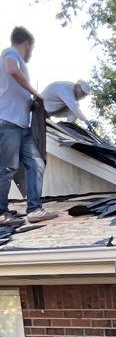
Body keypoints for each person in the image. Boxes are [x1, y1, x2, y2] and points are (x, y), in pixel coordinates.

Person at [0, 26, 55, 225]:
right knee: (7, 167)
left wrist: (31, 103)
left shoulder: (18, 59)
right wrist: (34, 92)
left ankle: (34, 209)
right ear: (27, 44)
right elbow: (11, 70)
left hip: (22, 126)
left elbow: (15, 87)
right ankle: (1, 213)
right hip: (8, 123)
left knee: (36, 164)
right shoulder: (10, 53)